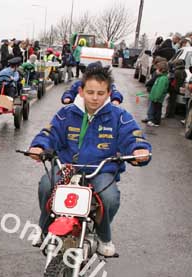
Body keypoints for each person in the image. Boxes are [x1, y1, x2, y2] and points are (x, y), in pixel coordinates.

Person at [27, 65, 151, 256]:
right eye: (90, 92)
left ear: (109, 93)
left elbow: (132, 136)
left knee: (109, 198)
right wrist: (39, 147)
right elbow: (49, 133)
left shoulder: (119, 116)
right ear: (81, 91)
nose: (95, 97)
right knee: (46, 185)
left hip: (101, 170)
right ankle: (43, 228)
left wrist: (139, 150)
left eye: (101, 93)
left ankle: (103, 236)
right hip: (68, 167)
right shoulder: (66, 113)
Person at [142, 61, 170, 127]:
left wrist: (156, 97)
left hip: (157, 98)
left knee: (157, 110)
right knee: (155, 109)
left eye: (157, 69)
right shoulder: (160, 77)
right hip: (155, 97)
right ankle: (152, 120)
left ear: (161, 70)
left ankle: (156, 122)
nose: (156, 70)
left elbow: (160, 89)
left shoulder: (163, 79)